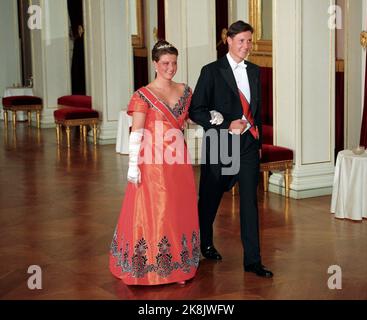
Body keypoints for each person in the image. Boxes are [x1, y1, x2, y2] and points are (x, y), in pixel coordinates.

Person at [110, 40, 208, 285]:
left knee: (178, 209)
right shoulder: (143, 94)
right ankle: (154, 268)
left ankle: (179, 266)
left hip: (178, 160)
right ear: (155, 64)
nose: (171, 67)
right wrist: (133, 165)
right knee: (159, 211)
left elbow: (188, 120)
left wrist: (213, 119)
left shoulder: (185, 89)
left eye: (174, 62)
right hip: (153, 164)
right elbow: (137, 132)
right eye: (165, 63)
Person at [189, 21, 273, 278]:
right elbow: (196, 111)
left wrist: (257, 143)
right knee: (210, 200)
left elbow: (256, 113)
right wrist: (226, 124)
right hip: (220, 145)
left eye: (249, 41)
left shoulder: (255, 71)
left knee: (250, 202)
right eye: (241, 41)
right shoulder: (211, 71)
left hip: (247, 146)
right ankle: (203, 244)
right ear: (229, 40)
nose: (246, 46)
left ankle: (253, 261)